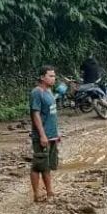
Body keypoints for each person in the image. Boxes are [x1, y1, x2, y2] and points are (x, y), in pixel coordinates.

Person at [29, 66, 60, 203]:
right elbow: (35, 114)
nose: (53, 78)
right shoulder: (37, 92)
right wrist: (42, 135)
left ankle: (49, 191)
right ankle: (36, 194)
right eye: (50, 76)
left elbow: (52, 115)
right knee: (38, 165)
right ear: (42, 77)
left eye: (54, 76)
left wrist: (56, 133)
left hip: (51, 135)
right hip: (42, 136)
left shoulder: (49, 91)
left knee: (47, 165)